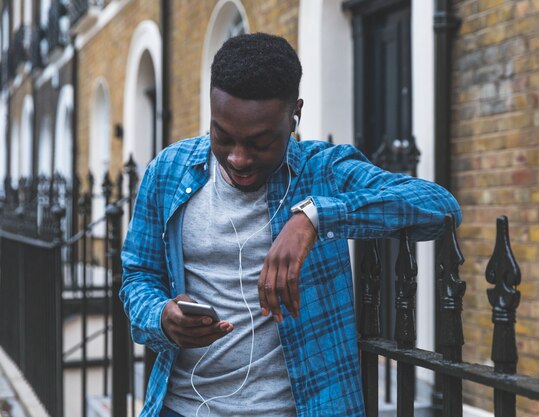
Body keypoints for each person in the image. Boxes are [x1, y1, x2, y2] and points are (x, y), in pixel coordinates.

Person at [120, 32, 462, 417]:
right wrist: (161, 317)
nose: (238, 158)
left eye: (261, 142)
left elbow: (440, 208)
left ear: (294, 113)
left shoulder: (322, 171)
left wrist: (315, 217)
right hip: (181, 407)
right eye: (223, 136)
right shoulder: (168, 170)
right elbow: (138, 276)